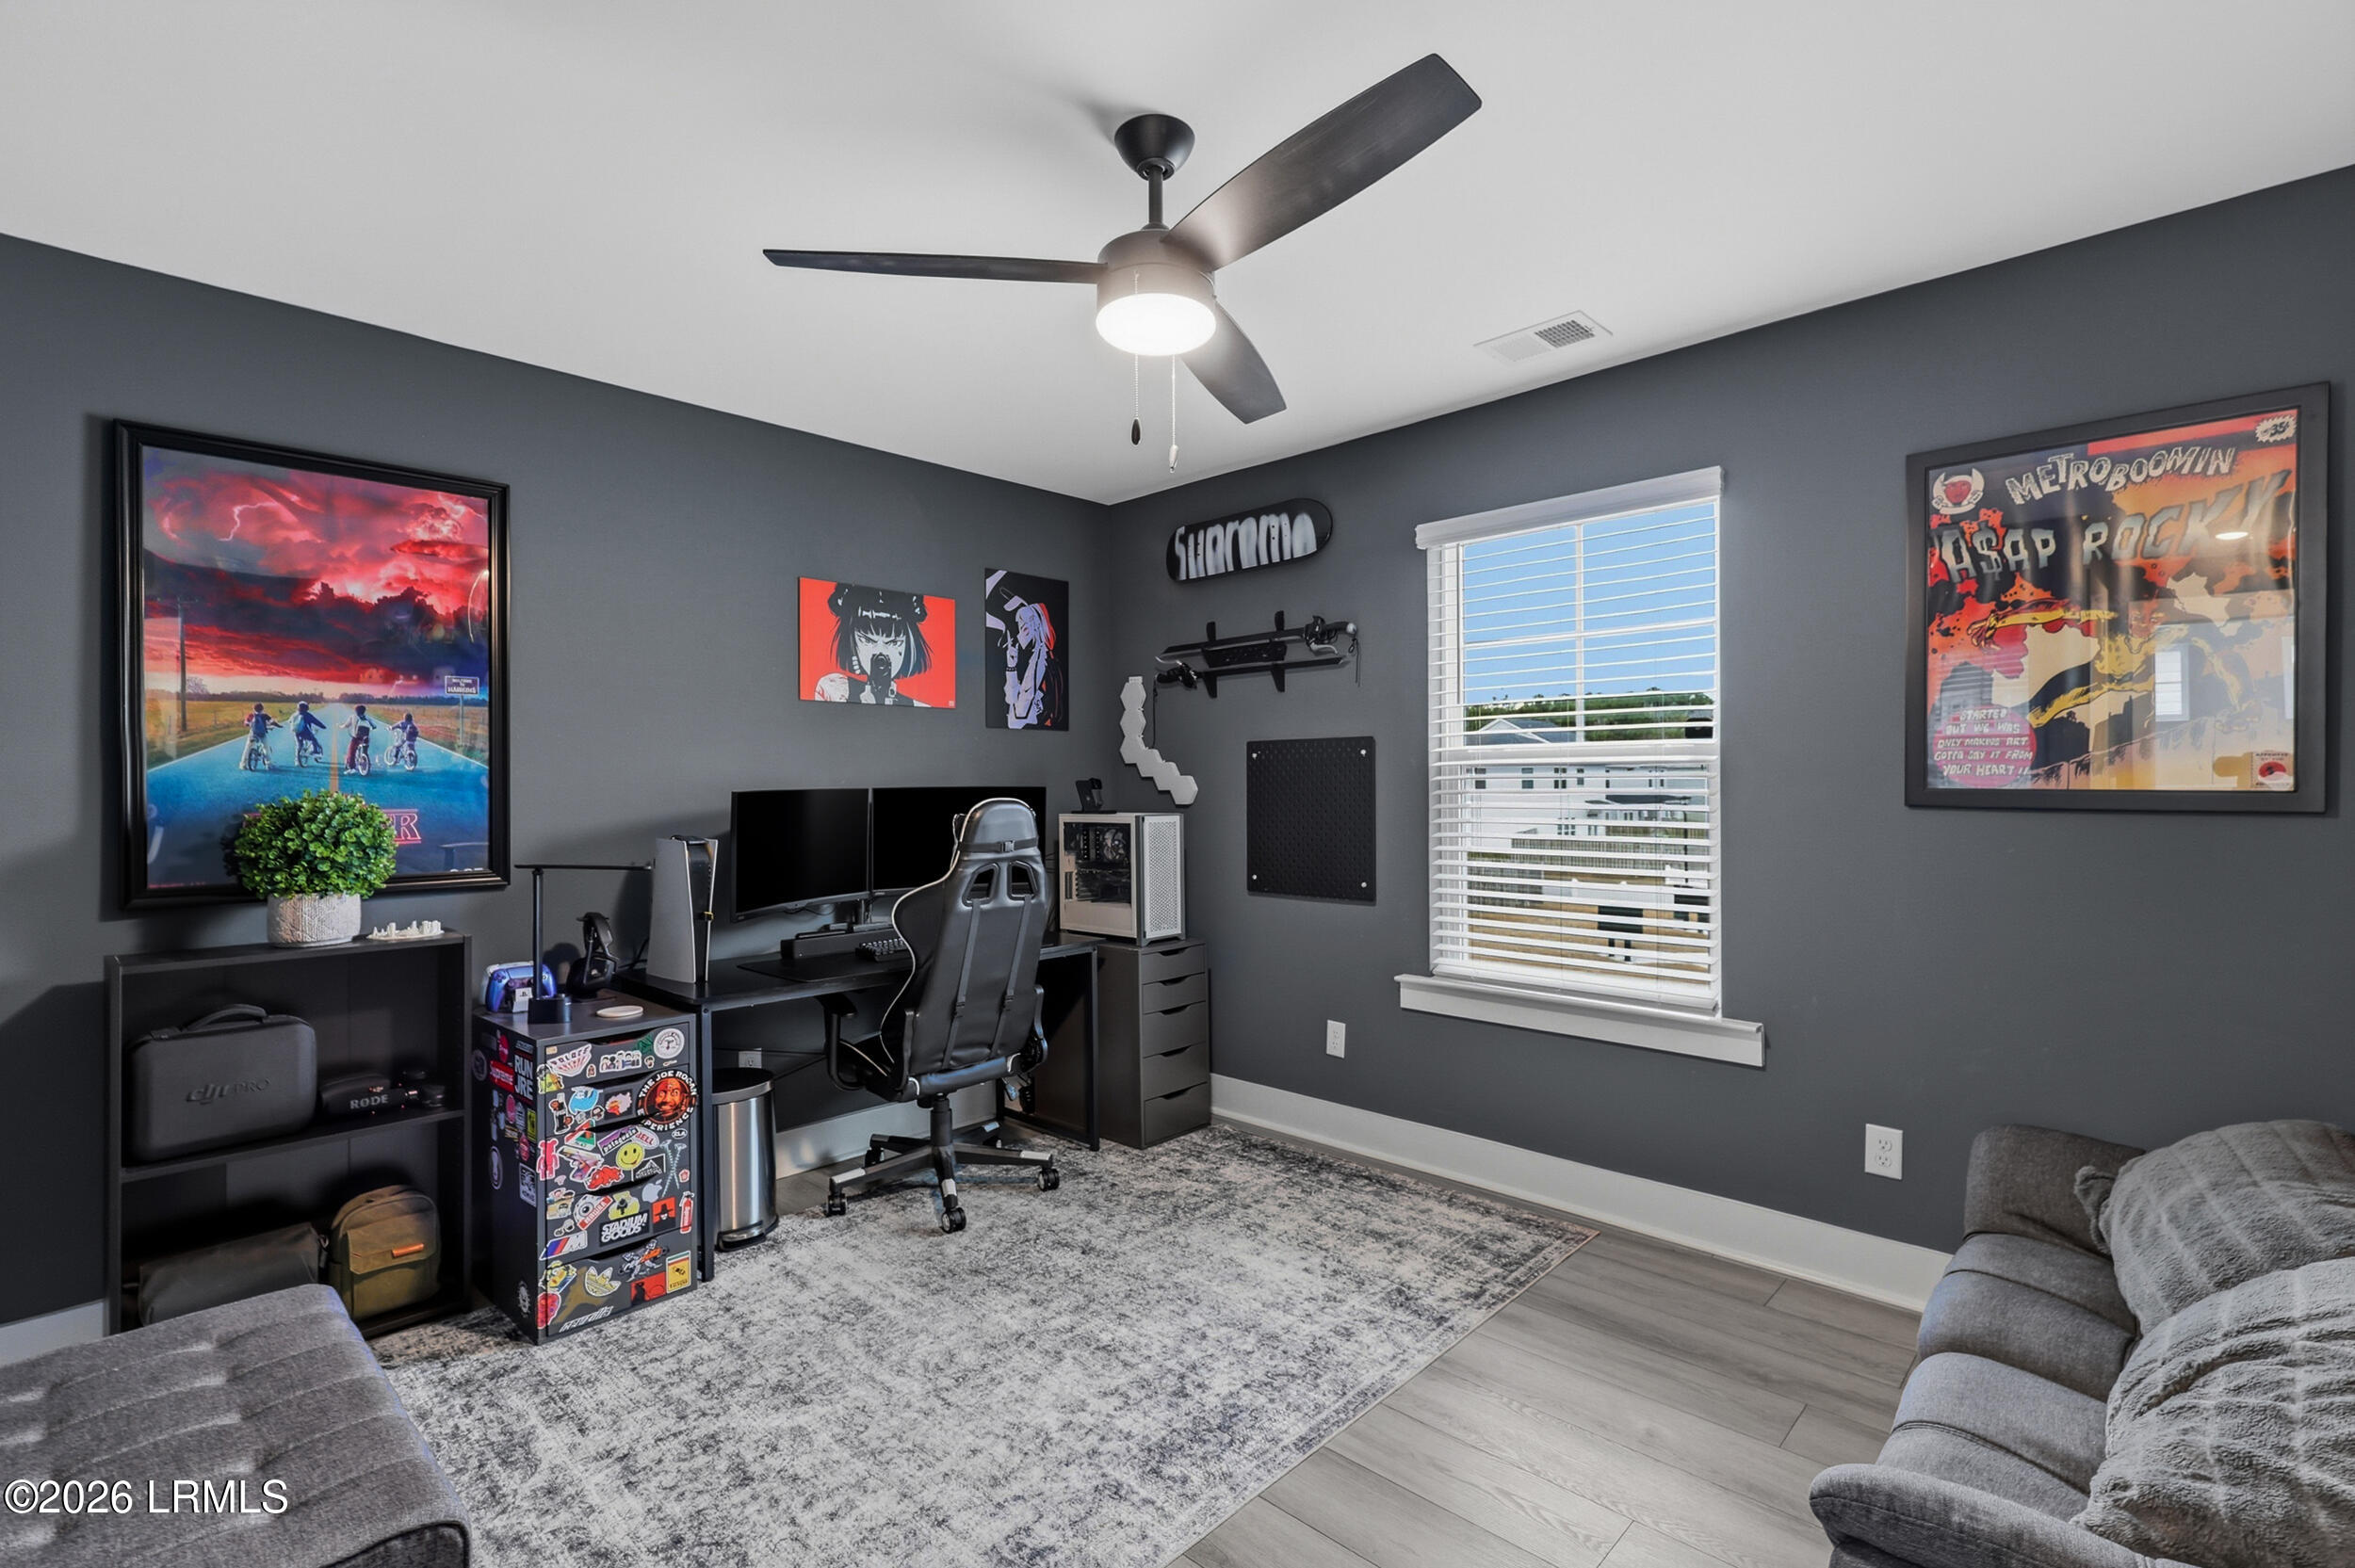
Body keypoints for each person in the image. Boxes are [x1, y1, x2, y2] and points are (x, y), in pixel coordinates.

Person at [811, 583, 934, 705]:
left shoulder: (920, 707)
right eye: (868, 640)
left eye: (893, 642)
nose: (881, 652)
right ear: (853, 641)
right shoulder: (834, 691)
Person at [238, 703, 279, 770]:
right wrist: (277, 725)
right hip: (262, 734)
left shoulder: (251, 715)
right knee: (266, 748)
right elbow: (272, 722)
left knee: (247, 748)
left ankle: (243, 764)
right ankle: (269, 764)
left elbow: (246, 723)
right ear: (262, 709)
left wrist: (249, 724)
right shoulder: (264, 715)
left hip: (253, 734)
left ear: (254, 709)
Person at [341, 703, 377, 774]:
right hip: (365, 737)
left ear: (356, 711)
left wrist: (341, 726)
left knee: (351, 751)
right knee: (365, 752)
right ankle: (367, 765)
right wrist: (370, 728)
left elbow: (346, 725)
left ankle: (352, 767)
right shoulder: (367, 718)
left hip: (356, 737)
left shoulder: (353, 717)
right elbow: (374, 726)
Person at [291, 701, 327, 767]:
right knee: (314, 740)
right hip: (305, 732)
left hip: (296, 732)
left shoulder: (294, 715)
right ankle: (314, 751)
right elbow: (316, 721)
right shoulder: (307, 715)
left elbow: (290, 721)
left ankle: (297, 761)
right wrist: (323, 726)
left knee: (299, 745)